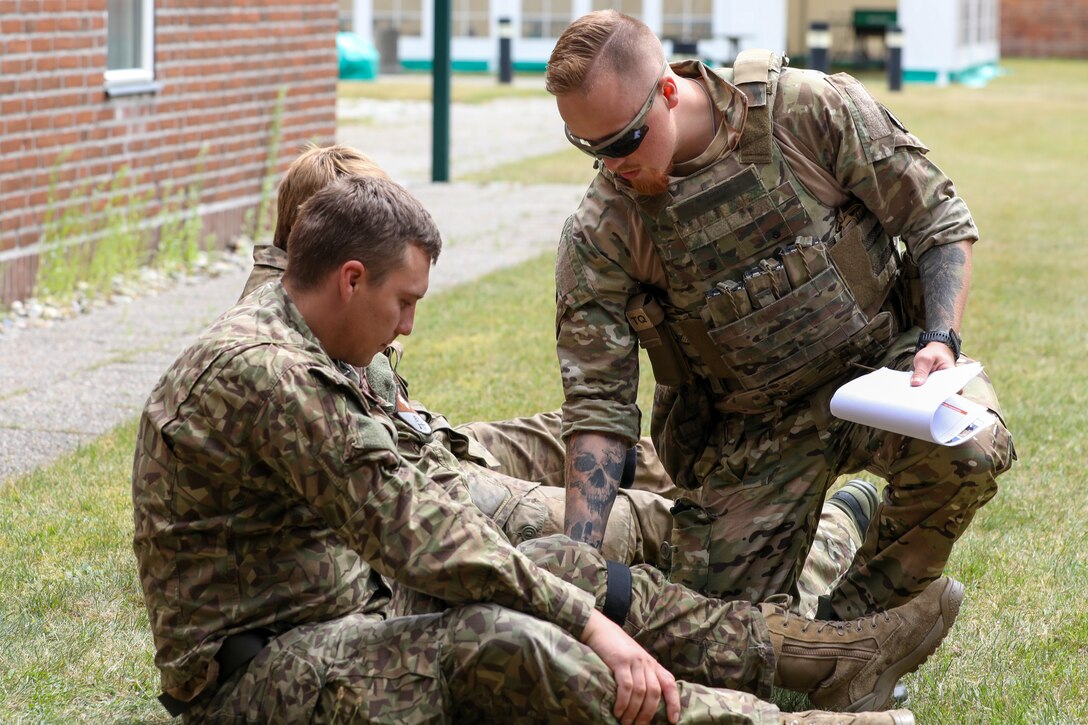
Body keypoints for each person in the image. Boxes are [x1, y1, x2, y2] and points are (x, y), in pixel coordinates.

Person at [132, 174, 961, 723]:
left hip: (351, 606)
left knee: (566, 566)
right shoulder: (265, 373)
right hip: (252, 677)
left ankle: (813, 658)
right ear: (350, 279)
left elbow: (429, 513)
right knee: (505, 637)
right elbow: (420, 533)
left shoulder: (310, 345)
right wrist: (596, 632)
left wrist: (577, 592)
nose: (409, 326)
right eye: (403, 302)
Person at [242, 143, 869, 613]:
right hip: (442, 486)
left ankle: (760, 478)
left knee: (592, 443)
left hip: (441, 443)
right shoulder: (285, 357)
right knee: (660, 528)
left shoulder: (307, 298)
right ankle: (829, 541)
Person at [545, 10, 1015, 619]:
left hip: (885, 375)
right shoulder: (604, 229)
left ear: (667, 90)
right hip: (750, 430)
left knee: (971, 444)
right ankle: (839, 525)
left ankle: (854, 630)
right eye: (587, 145)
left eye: (624, 140)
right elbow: (599, 410)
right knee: (717, 633)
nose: (611, 164)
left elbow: (939, 222)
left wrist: (940, 339)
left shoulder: (805, 112)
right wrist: (577, 555)